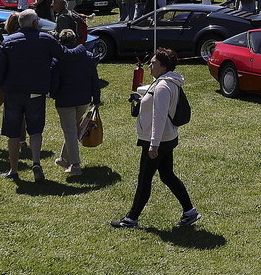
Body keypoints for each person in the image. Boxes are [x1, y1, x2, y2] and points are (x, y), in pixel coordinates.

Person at [112, 48, 199, 228]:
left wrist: (154, 144)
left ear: (163, 66)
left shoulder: (162, 87)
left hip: (158, 140)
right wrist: (141, 99)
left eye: (153, 63)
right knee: (167, 176)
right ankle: (190, 212)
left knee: (144, 179)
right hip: (167, 138)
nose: (150, 65)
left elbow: (159, 117)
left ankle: (131, 219)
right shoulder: (166, 82)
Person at [0, 9, 64, 182]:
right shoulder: (46, 39)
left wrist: (4, 85)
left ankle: (13, 170)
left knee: (13, 133)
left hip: (13, 92)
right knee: (35, 130)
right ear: (35, 23)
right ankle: (36, 162)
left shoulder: (8, 41)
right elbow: (62, 56)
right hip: (36, 91)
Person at [52, 28, 101, 179]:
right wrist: (96, 99)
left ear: (60, 41)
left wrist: (53, 94)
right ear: (75, 40)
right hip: (84, 99)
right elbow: (94, 79)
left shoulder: (58, 58)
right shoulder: (88, 56)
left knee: (70, 131)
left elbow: (54, 81)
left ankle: (75, 165)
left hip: (65, 100)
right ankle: (63, 158)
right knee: (72, 129)